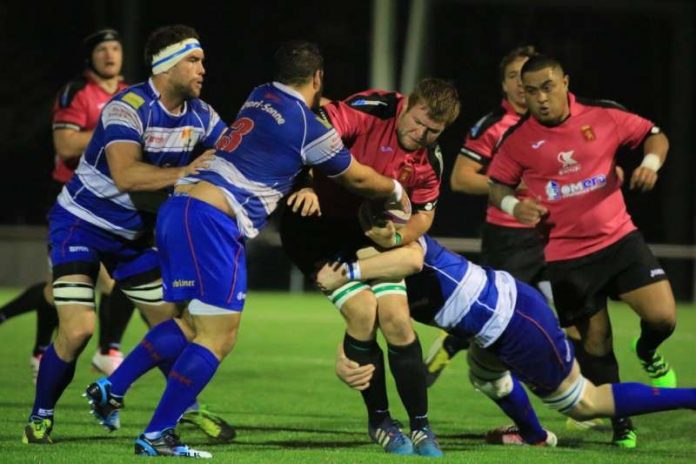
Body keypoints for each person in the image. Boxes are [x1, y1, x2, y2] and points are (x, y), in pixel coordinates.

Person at [84, 40, 411, 458]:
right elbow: (359, 180)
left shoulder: (260, 94)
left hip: (177, 210)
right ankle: (157, 435)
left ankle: (113, 387)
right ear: (317, 77)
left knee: (189, 325)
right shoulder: (310, 127)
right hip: (213, 222)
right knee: (219, 337)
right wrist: (397, 190)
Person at [22, 24, 234, 446]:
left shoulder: (201, 114)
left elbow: (236, 154)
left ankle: (182, 412)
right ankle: (41, 416)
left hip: (133, 236)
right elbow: (125, 173)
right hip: (80, 223)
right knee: (80, 328)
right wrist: (187, 173)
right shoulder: (127, 107)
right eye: (193, 60)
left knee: (179, 327)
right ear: (166, 66)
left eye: (203, 61)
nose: (202, 69)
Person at [316, 234, 696, 448]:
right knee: (484, 373)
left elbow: (411, 262)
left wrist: (350, 270)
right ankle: (534, 436)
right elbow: (366, 316)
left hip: (516, 321)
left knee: (584, 403)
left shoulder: (385, 230)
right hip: (489, 326)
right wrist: (343, 355)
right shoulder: (360, 253)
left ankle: (691, 398)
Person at [487, 54, 677, 448]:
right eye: (531, 90)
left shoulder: (603, 116)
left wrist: (652, 163)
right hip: (567, 258)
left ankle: (647, 350)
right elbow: (497, 185)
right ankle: (622, 423)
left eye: (548, 87)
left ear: (565, 83)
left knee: (663, 318)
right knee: (596, 345)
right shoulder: (519, 140)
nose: (540, 98)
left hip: (620, 241)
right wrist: (513, 207)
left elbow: (654, 133)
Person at [279, 78, 460, 456]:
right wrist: (307, 182)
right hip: (314, 226)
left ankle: (422, 428)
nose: (422, 134)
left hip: (362, 233)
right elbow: (314, 129)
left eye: (433, 131)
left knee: (396, 317)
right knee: (363, 310)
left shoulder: (431, 159)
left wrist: (393, 238)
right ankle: (379, 420)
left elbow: (423, 218)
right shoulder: (371, 109)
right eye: (418, 122)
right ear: (408, 103)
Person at [0, 28, 134, 381]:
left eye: (115, 48)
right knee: (72, 287)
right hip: (70, 201)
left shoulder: (130, 94)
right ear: (90, 57)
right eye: (102, 49)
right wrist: (115, 130)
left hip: (113, 202)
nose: (110, 55)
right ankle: (84, 350)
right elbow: (67, 146)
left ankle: (104, 350)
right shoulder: (76, 93)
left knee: (107, 281)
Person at [424, 46, 551, 387]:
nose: (522, 84)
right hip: (511, 237)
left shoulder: (558, 122)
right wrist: (514, 184)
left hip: (557, 234)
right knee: (498, 316)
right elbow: (461, 178)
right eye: (513, 76)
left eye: (527, 75)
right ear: (504, 86)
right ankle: (453, 341)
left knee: (577, 318)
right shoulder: (494, 126)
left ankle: (587, 402)